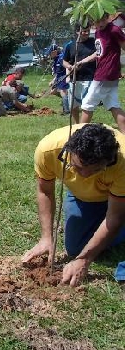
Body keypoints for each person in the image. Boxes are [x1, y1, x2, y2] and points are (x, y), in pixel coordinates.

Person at [22, 123, 125, 287]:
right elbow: (45, 191)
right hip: (83, 197)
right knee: (75, 247)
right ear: (69, 151)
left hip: (119, 197)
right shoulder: (48, 150)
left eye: (95, 170)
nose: (84, 176)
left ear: (108, 161)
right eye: (78, 167)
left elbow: (114, 216)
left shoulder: (122, 161)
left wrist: (84, 259)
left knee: (113, 226)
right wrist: (46, 238)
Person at [77, 14, 125, 132]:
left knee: (87, 105)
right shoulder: (98, 32)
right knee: (114, 105)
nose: (101, 23)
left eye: (103, 20)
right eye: (97, 21)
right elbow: (99, 53)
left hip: (105, 74)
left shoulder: (114, 30)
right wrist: (83, 61)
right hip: (107, 75)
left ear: (108, 18)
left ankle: (79, 136)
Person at [62, 25, 96, 124]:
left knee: (87, 106)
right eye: (84, 31)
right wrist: (69, 67)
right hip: (74, 79)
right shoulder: (70, 45)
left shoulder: (93, 43)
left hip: (89, 78)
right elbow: (64, 61)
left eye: (88, 31)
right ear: (77, 32)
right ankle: (76, 125)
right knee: (73, 105)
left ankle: (83, 127)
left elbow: (96, 55)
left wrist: (83, 62)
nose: (86, 33)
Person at [48, 45, 70, 115]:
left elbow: (67, 67)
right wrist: (53, 80)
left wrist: (67, 77)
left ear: (55, 52)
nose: (49, 54)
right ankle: (68, 100)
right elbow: (58, 72)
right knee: (53, 92)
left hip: (64, 78)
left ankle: (66, 111)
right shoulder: (55, 59)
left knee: (63, 92)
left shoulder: (61, 58)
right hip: (59, 78)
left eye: (50, 53)